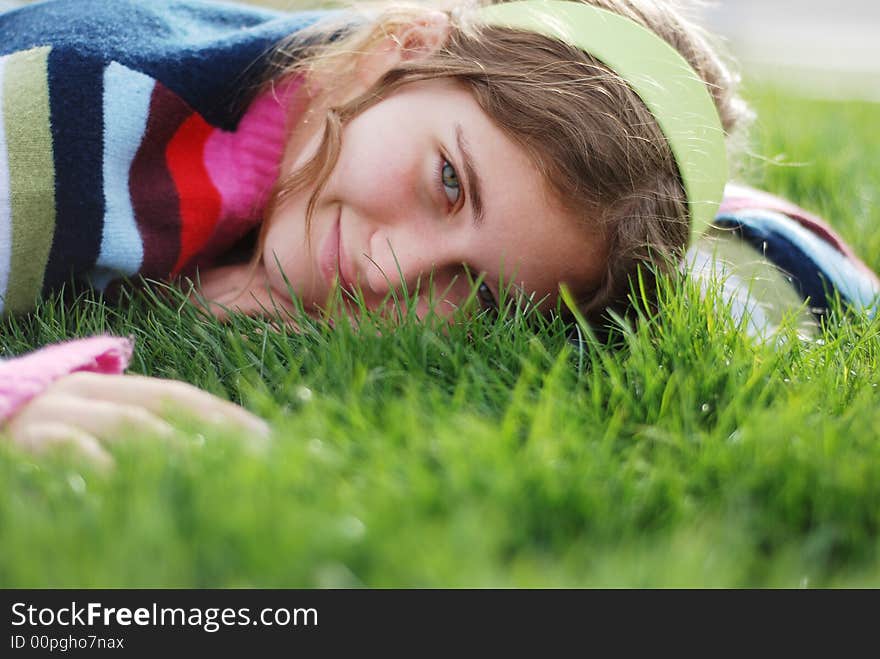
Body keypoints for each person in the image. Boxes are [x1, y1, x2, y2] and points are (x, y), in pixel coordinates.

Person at [0, 0, 876, 461]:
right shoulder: (69, 119)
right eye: (447, 183)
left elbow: (809, 268)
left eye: (478, 287)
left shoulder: (392, 92)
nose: (389, 270)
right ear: (403, 44)